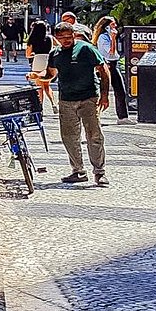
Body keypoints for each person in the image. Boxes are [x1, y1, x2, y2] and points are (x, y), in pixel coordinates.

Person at [46, 20, 111, 186]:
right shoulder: (55, 54)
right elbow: (50, 74)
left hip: (89, 98)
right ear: (56, 38)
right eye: (62, 38)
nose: (66, 40)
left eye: (69, 37)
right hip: (66, 99)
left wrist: (104, 95)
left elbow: (103, 70)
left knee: (94, 135)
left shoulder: (86, 48)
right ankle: (78, 170)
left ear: (74, 35)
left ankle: (99, 172)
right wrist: (37, 77)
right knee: (69, 136)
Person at [92, 16, 129, 121]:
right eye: (112, 24)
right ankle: (122, 117)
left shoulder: (107, 36)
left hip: (113, 63)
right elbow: (111, 52)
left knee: (119, 90)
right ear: (106, 26)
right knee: (117, 90)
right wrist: (113, 38)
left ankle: (122, 116)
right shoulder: (103, 37)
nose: (115, 26)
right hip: (109, 64)